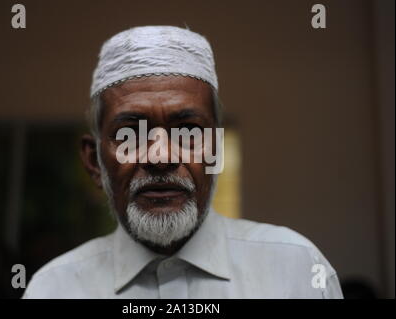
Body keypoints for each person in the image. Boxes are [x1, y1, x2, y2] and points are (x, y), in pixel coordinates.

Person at [23, 25, 343, 298]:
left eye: (188, 131)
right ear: (94, 161)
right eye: (130, 133)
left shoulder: (296, 270)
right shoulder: (54, 288)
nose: (160, 157)